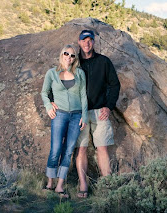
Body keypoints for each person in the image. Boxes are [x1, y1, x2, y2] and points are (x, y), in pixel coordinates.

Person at [52, 30, 121, 198]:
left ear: (93, 42)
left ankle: (108, 186)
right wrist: (52, 101)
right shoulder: (73, 62)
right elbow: (58, 81)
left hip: (99, 112)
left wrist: (109, 106)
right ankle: (83, 186)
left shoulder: (104, 61)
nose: (87, 43)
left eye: (90, 40)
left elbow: (115, 84)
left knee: (102, 149)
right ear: (79, 42)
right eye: (84, 40)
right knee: (80, 150)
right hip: (78, 113)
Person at [41, 44, 88, 198]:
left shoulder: (80, 73)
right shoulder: (52, 73)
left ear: (75, 59)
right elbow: (44, 92)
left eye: (72, 55)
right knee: (55, 149)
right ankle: (50, 183)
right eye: (66, 53)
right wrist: (48, 105)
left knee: (68, 152)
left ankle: (60, 186)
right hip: (59, 115)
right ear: (61, 55)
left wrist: (84, 116)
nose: (69, 57)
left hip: (76, 116)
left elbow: (83, 96)